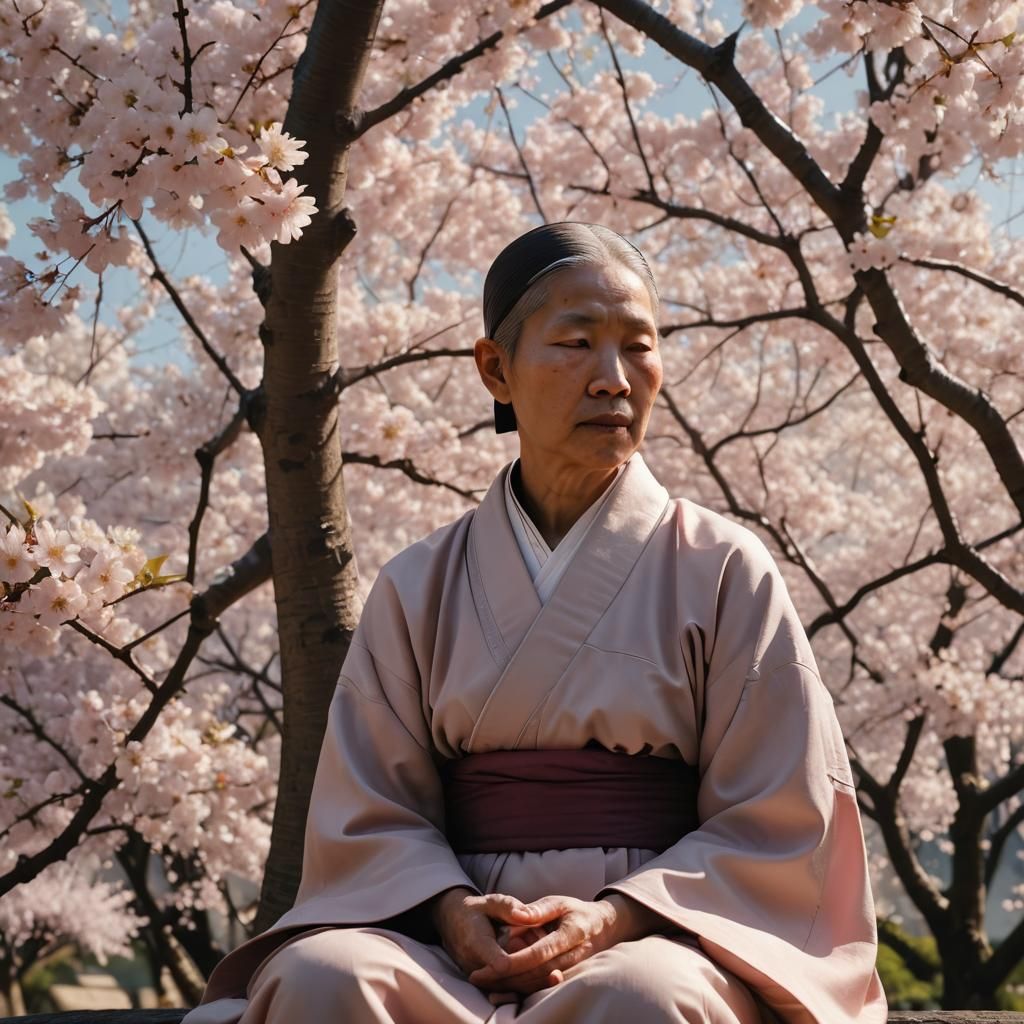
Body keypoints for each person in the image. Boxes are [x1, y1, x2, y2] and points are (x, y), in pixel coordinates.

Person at [183, 222, 887, 1023]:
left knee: (640, 997)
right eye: (577, 342)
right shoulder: (418, 583)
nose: (614, 379)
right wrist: (449, 910)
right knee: (324, 977)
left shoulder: (724, 568)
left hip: (665, 935)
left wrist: (616, 917)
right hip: (445, 946)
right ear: (495, 369)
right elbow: (369, 811)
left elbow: (779, 816)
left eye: (639, 346)